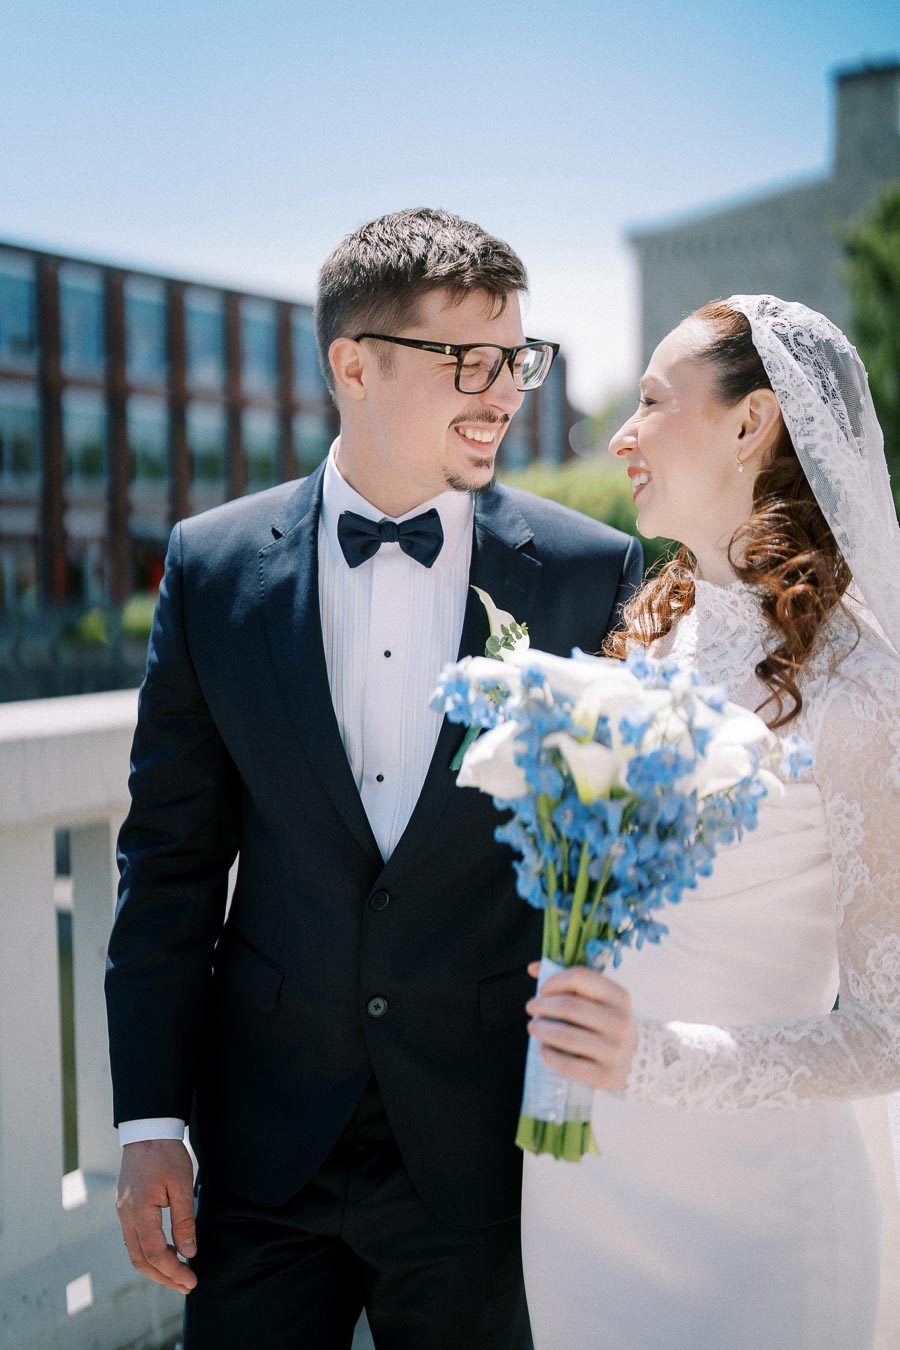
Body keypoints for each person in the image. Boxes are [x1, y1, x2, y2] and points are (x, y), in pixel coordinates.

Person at [105, 207, 643, 1350]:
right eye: (472, 362)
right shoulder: (211, 569)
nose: (507, 392)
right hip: (262, 1148)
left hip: (483, 1145)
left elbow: (609, 861)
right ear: (355, 363)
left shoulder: (589, 577)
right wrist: (149, 1118)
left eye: (520, 360)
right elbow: (170, 863)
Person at [520, 295, 900, 1350]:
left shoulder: (862, 692)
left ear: (752, 423)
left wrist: (657, 1057)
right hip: (583, 1187)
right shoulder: (643, 642)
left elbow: (890, 1032)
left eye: (650, 401)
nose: (621, 435)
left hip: (759, 1216)